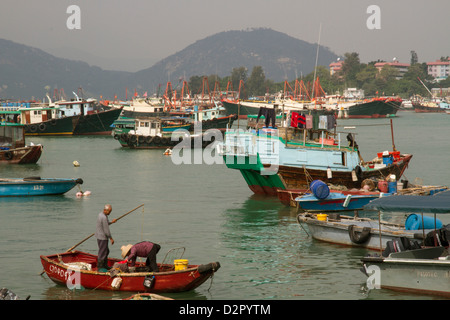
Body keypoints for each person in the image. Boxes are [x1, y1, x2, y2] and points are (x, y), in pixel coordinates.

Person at [95, 204, 117, 270]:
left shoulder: (101, 214)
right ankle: (100, 267)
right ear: (105, 210)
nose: (110, 213)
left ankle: (105, 265)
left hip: (99, 236)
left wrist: (112, 222)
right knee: (102, 252)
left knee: (106, 251)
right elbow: (106, 230)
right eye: (109, 211)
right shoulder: (103, 217)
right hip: (102, 237)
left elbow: (106, 223)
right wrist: (111, 238)